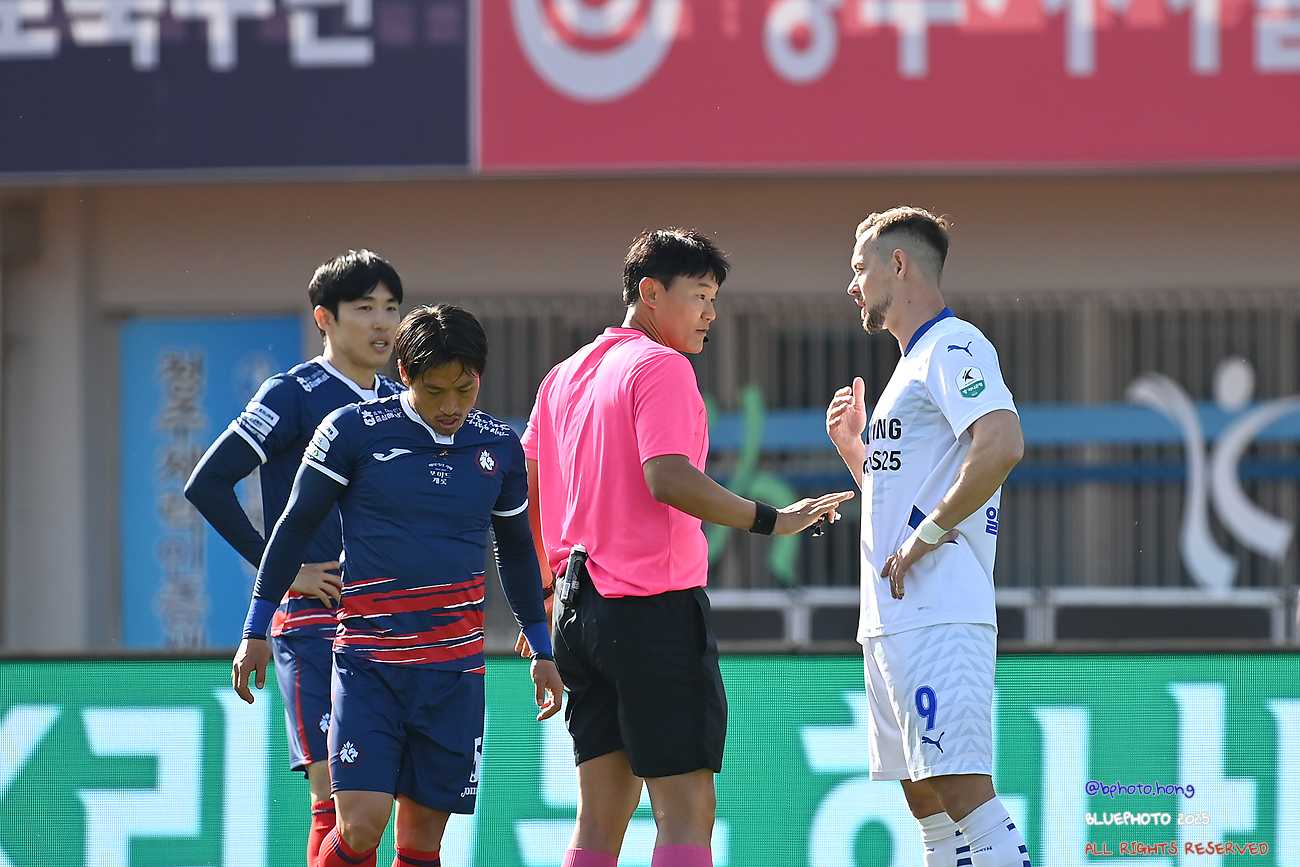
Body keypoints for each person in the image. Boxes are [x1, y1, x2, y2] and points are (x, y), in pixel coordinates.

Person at [520, 228, 854, 867]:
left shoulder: (562, 375)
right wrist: (773, 521)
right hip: (651, 611)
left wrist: (541, 602)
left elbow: (526, 493)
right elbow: (668, 477)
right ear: (650, 293)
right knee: (687, 810)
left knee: (598, 819)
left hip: (576, 614)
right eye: (699, 296)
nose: (710, 314)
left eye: (714, 299)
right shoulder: (662, 365)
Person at [232, 304, 563, 867]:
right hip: (368, 668)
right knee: (360, 827)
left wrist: (542, 647)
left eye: (465, 388)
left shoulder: (500, 447)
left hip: (454, 675)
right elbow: (294, 526)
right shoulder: (350, 431)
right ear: (405, 374)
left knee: (422, 843)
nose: (452, 405)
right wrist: (255, 628)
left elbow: (513, 551)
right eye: (436, 391)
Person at [185, 249, 404, 865]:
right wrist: (281, 571)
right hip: (315, 625)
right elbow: (207, 483)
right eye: (365, 308)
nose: (383, 322)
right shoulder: (292, 394)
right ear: (324, 318)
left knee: (386, 809)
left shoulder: (399, 399)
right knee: (338, 806)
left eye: (392, 308)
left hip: (390, 624)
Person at [825, 208, 1028, 867]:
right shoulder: (909, 367)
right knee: (930, 812)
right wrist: (856, 453)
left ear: (899, 265)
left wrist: (928, 536)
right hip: (893, 618)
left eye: (860, 268)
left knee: (965, 796)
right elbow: (904, 495)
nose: (852, 284)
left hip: (939, 611)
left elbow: (1002, 443)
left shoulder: (952, 345)